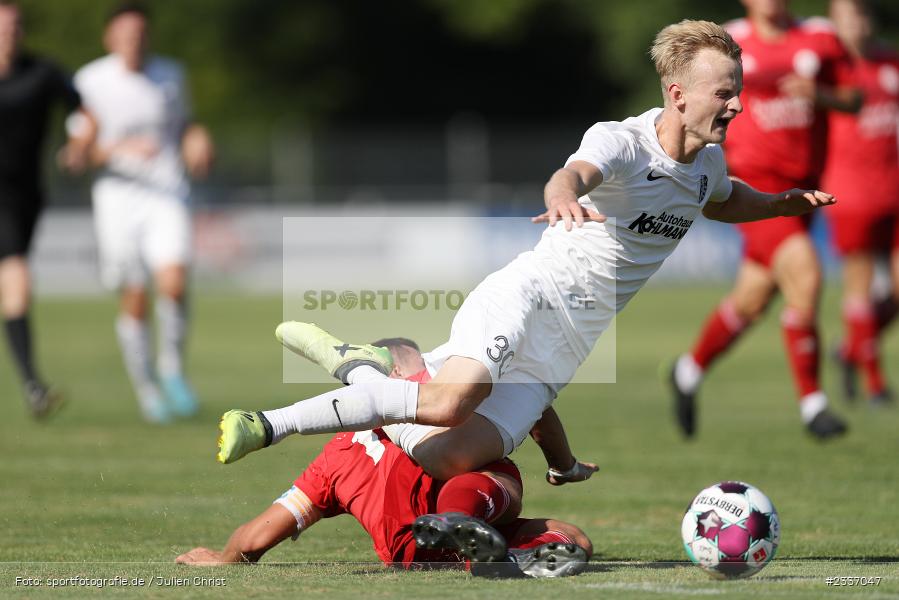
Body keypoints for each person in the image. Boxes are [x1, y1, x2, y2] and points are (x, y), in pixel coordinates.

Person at [218, 19, 836, 480]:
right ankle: (269, 424)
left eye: (739, 90)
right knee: (448, 399)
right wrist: (564, 196)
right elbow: (571, 176)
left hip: (566, 349)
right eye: (725, 92)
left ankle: (367, 366)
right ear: (677, 94)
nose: (739, 103)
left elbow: (724, 200)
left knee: (442, 459)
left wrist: (783, 203)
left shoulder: (708, 164)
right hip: (531, 293)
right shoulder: (622, 143)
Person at [668, 0, 860, 440]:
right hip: (752, 187)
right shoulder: (724, 43)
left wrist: (821, 95)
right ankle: (814, 405)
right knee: (806, 273)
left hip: (804, 189)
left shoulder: (820, 37)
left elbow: (856, 99)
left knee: (752, 300)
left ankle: (688, 371)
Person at [179, 428, 592, 578]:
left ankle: (498, 556)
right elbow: (536, 411)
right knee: (503, 474)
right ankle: (462, 522)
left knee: (572, 538)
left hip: (410, 553)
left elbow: (255, 538)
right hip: (459, 509)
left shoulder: (330, 462)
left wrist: (226, 557)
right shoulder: (437, 409)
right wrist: (564, 464)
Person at [68, 1, 214, 423]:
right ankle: (146, 388)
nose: (135, 41)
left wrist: (197, 138)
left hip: (166, 193)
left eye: (141, 33)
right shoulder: (91, 80)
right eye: (126, 34)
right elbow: (80, 150)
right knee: (134, 295)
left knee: (174, 281)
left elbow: (185, 124)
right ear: (110, 38)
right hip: (117, 198)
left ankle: (172, 371)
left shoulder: (171, 74)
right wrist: (114, 148)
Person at [0, 0, 88, 417]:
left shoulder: (42, 73)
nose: (9, 33)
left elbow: (80, 110)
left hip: (22, 198)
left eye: (14, 26)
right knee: (15, 278)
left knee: (14, 281)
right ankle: (34, 384)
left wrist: (77, 144)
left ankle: (33, 385)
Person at [824, 0, 898, 406]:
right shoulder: (829, 72)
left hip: (894, 190)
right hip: (851, 192)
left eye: (863, 15)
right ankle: (874, 384)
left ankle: (851, 349)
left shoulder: (891, 64)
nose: (858, 25)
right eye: (849, 17)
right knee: (861, 285)